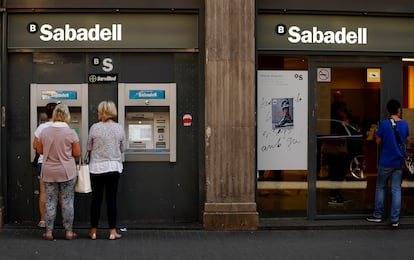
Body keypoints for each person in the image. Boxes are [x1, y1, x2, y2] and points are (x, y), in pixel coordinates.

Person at [36, 103, 81, 240]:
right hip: (67, 171)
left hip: (49, 171)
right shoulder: (71, 133)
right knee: (67, 202)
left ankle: (49, 232)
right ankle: (68, 232)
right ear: (67, 116)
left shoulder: (44, 132)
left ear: (54, 115)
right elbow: (77, 153)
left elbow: (39, 150)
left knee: (50, 201)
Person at [366, 99, 409, 228]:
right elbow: (405, 139)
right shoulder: (405, 124)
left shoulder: (384, 125)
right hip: (398, 162)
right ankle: (394, 219)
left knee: (380, 187)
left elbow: (378, 141)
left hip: (386, 161)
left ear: (388, 111)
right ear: (398, 110)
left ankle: (378, 215)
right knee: (396, 189)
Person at [87, 100, 126, 240]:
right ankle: (112, 232)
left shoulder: (94, 128)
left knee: (96, 200)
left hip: (96, 168)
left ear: (102, 112)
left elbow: (88, 147)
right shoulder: (119, 128)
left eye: (98, 111)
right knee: (111, 200)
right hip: (113, 167)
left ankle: (93, 231)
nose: (97, 113)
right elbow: (123, 148)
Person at [32, 102, 58, 228]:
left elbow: (35, 146)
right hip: (60, 164)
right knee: (62, 193)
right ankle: (65, 220)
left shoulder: (41, 128)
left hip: (44, 163)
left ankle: (43, 220)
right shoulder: (64, 127)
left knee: (44, 192)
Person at [327, 90, 352, 205]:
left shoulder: (344, 109)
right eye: (336, 96)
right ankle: (334, 195)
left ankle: (337, 194)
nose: (338, 98)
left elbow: (348, 123)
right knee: (336, 171)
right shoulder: (331, 110)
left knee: (340, 172)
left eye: (339, 96)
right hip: (335, 143)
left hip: (341, 142)